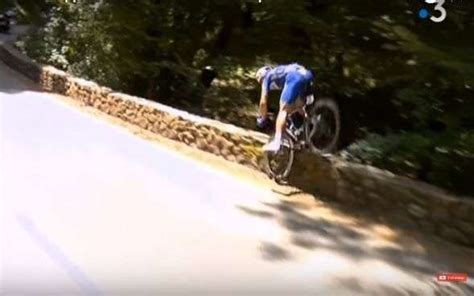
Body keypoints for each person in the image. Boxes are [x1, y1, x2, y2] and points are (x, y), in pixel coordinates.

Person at [255, 63, 314, 151]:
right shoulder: (280, 72)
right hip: (307, 76)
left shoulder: (267, 77)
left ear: (261, 75)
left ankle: (277, 142)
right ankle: (306, 131)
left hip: (294, 77)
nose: (261, 84)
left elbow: (263, 102)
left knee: (283, 110)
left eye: (259, 81)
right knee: (299, 107)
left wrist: (263, 118)